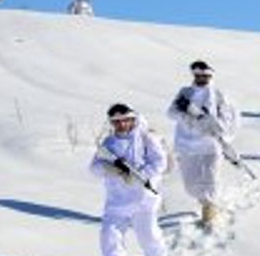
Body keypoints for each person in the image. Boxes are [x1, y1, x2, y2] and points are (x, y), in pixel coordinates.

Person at [167, 61, 239, 229]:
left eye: (204, 75)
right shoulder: (185, 92)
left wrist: (211, 124)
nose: (201, 78)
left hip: (210, 145)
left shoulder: (219, 95)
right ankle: (204, 201)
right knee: (191, 185)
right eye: (198, 75)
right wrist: (189, 117)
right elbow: (171, 112)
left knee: (210, 179)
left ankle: (210, 210)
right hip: (186, 144)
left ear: (210, 76)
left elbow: (227, 119)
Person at [90, 103, 167, 256]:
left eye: (125, 120)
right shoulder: (108, 143)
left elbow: (160, 163)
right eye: (117, 121)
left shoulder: (146, 138)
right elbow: (94, 168)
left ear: (133, 119)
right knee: (109, 240)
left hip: (143, 200)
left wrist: (139, 175)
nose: (122, 124)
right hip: (117, 201)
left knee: (150, 239)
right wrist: (112, 170)